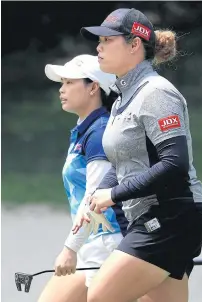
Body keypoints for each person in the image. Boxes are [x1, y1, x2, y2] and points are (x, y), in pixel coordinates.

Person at [74, 8, 202, 302]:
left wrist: (113, 195)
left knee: (98, 296)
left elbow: (175, 164)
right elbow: (123, 163)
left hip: (171, 217)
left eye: (107, 40)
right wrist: (96, 195)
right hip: (151, 217)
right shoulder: (123, 98)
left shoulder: (156, 92)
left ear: (135, 44)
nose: (98, 47)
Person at [38, 54, 128, 302]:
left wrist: (69, 250)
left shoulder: (99, 133)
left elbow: (94, 198)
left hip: (108, 242)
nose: (61, 89)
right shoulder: (86, 130)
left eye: (69, 83)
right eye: (62, 83)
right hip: (93, 242)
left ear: (94, 87)